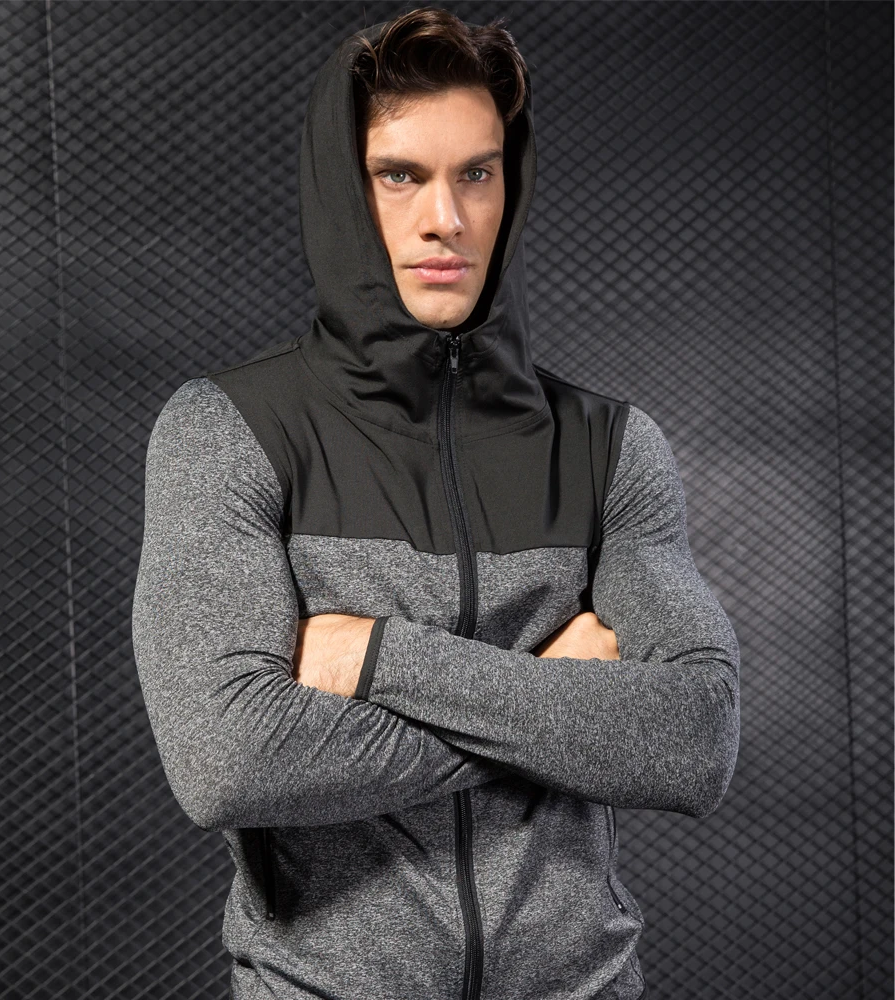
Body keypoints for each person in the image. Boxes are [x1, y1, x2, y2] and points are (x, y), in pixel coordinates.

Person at [131, 7, 741, 999]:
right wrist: (551, 699)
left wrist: (380, 659)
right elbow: (227, 761)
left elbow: (694, 738)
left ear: (510, 186)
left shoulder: (609, 447)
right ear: (345, 188)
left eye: (476, 174)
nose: (444, 219)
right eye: (400, 175)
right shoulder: (231, 431)